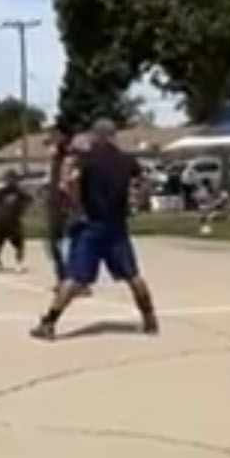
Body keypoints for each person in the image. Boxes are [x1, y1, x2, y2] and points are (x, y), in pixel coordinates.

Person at [31, 118, 158, 340]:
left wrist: (77, 206)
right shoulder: (126, 160)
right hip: (116, 225)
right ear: (112, 136)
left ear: (97, 136)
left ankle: (49, 323)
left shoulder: (86, 160)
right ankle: (149, 318)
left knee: (74, 276)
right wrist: (139, 202)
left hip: (91, 224)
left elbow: (69, 183)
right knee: (132, 274)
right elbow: (146, 181)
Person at [44, 127, 74, 283]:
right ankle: (62, 276)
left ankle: (72, 278)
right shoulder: (52, 163)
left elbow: (69, 185)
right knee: (54, 243)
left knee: (67, 242)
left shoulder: (68, 161)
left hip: (64, 203)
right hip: (54, 203)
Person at [0, 169, 31, 273]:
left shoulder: (19, 192)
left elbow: (29, 199)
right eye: (8, 179)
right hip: (1, 222)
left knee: (19, 244)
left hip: (13, 222)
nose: (9, 181)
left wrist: (23, 209)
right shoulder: (0, 192)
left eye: (12, 179)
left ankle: (18, 263)